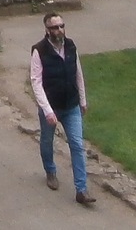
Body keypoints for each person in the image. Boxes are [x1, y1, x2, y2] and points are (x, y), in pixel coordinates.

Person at [31, 12, 94, 206]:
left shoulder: (71, 46)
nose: (59, 31)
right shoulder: (39, 51)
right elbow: (36, 82)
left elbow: (78, 73)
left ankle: (81, 190)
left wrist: (82, 99)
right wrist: (48, 111)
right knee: (47, 140)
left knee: (77, 144)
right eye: (54, 27)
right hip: (52, 105)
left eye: (61, 26)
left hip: (71, 104)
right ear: (47, 30)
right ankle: (50, 170)